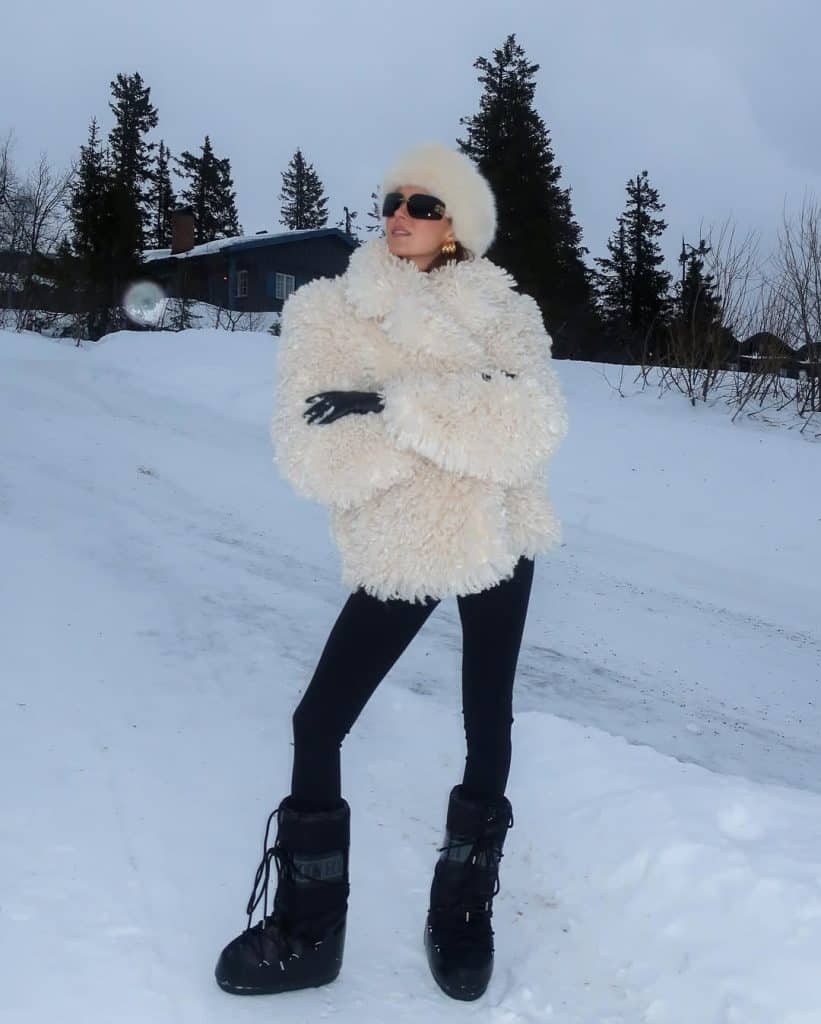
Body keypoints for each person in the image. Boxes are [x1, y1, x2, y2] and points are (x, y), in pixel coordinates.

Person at [214, 142, 568, 1002]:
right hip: (404, 535)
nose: (399, 215)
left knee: (487, 723)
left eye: (422, 204)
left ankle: (460, 913)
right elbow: (314, 451)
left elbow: (532, 426)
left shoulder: (504, 306)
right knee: (318, 721)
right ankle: (309, 930)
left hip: (498, 533)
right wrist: (458, 421)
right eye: (391, 202)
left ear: (455, 225)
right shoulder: (329, 309)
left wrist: (392, 403)